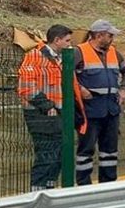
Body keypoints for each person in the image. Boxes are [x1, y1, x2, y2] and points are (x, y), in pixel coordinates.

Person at [18, 24, 87, 191]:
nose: (70, 45)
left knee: (58, 155)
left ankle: (49, 189)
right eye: (67, 41)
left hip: (57, 112)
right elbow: (26, 86)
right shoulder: (35, 56)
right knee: (46, 154)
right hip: (40, 114)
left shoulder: (61, 59)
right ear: (57, 40)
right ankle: (38, 193)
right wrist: (47, 106)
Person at [74, 19, 125, 185]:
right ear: (99, 36)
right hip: (90, 111)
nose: (112, 39)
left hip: (111, 110)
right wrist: (80, 88)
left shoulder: (114, 52)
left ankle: (108, 184)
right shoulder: (79, 52)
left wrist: (124, 89)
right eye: (110, 35)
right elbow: (66, 75)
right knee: (86, 150)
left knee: (110, 152)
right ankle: (83, 186)